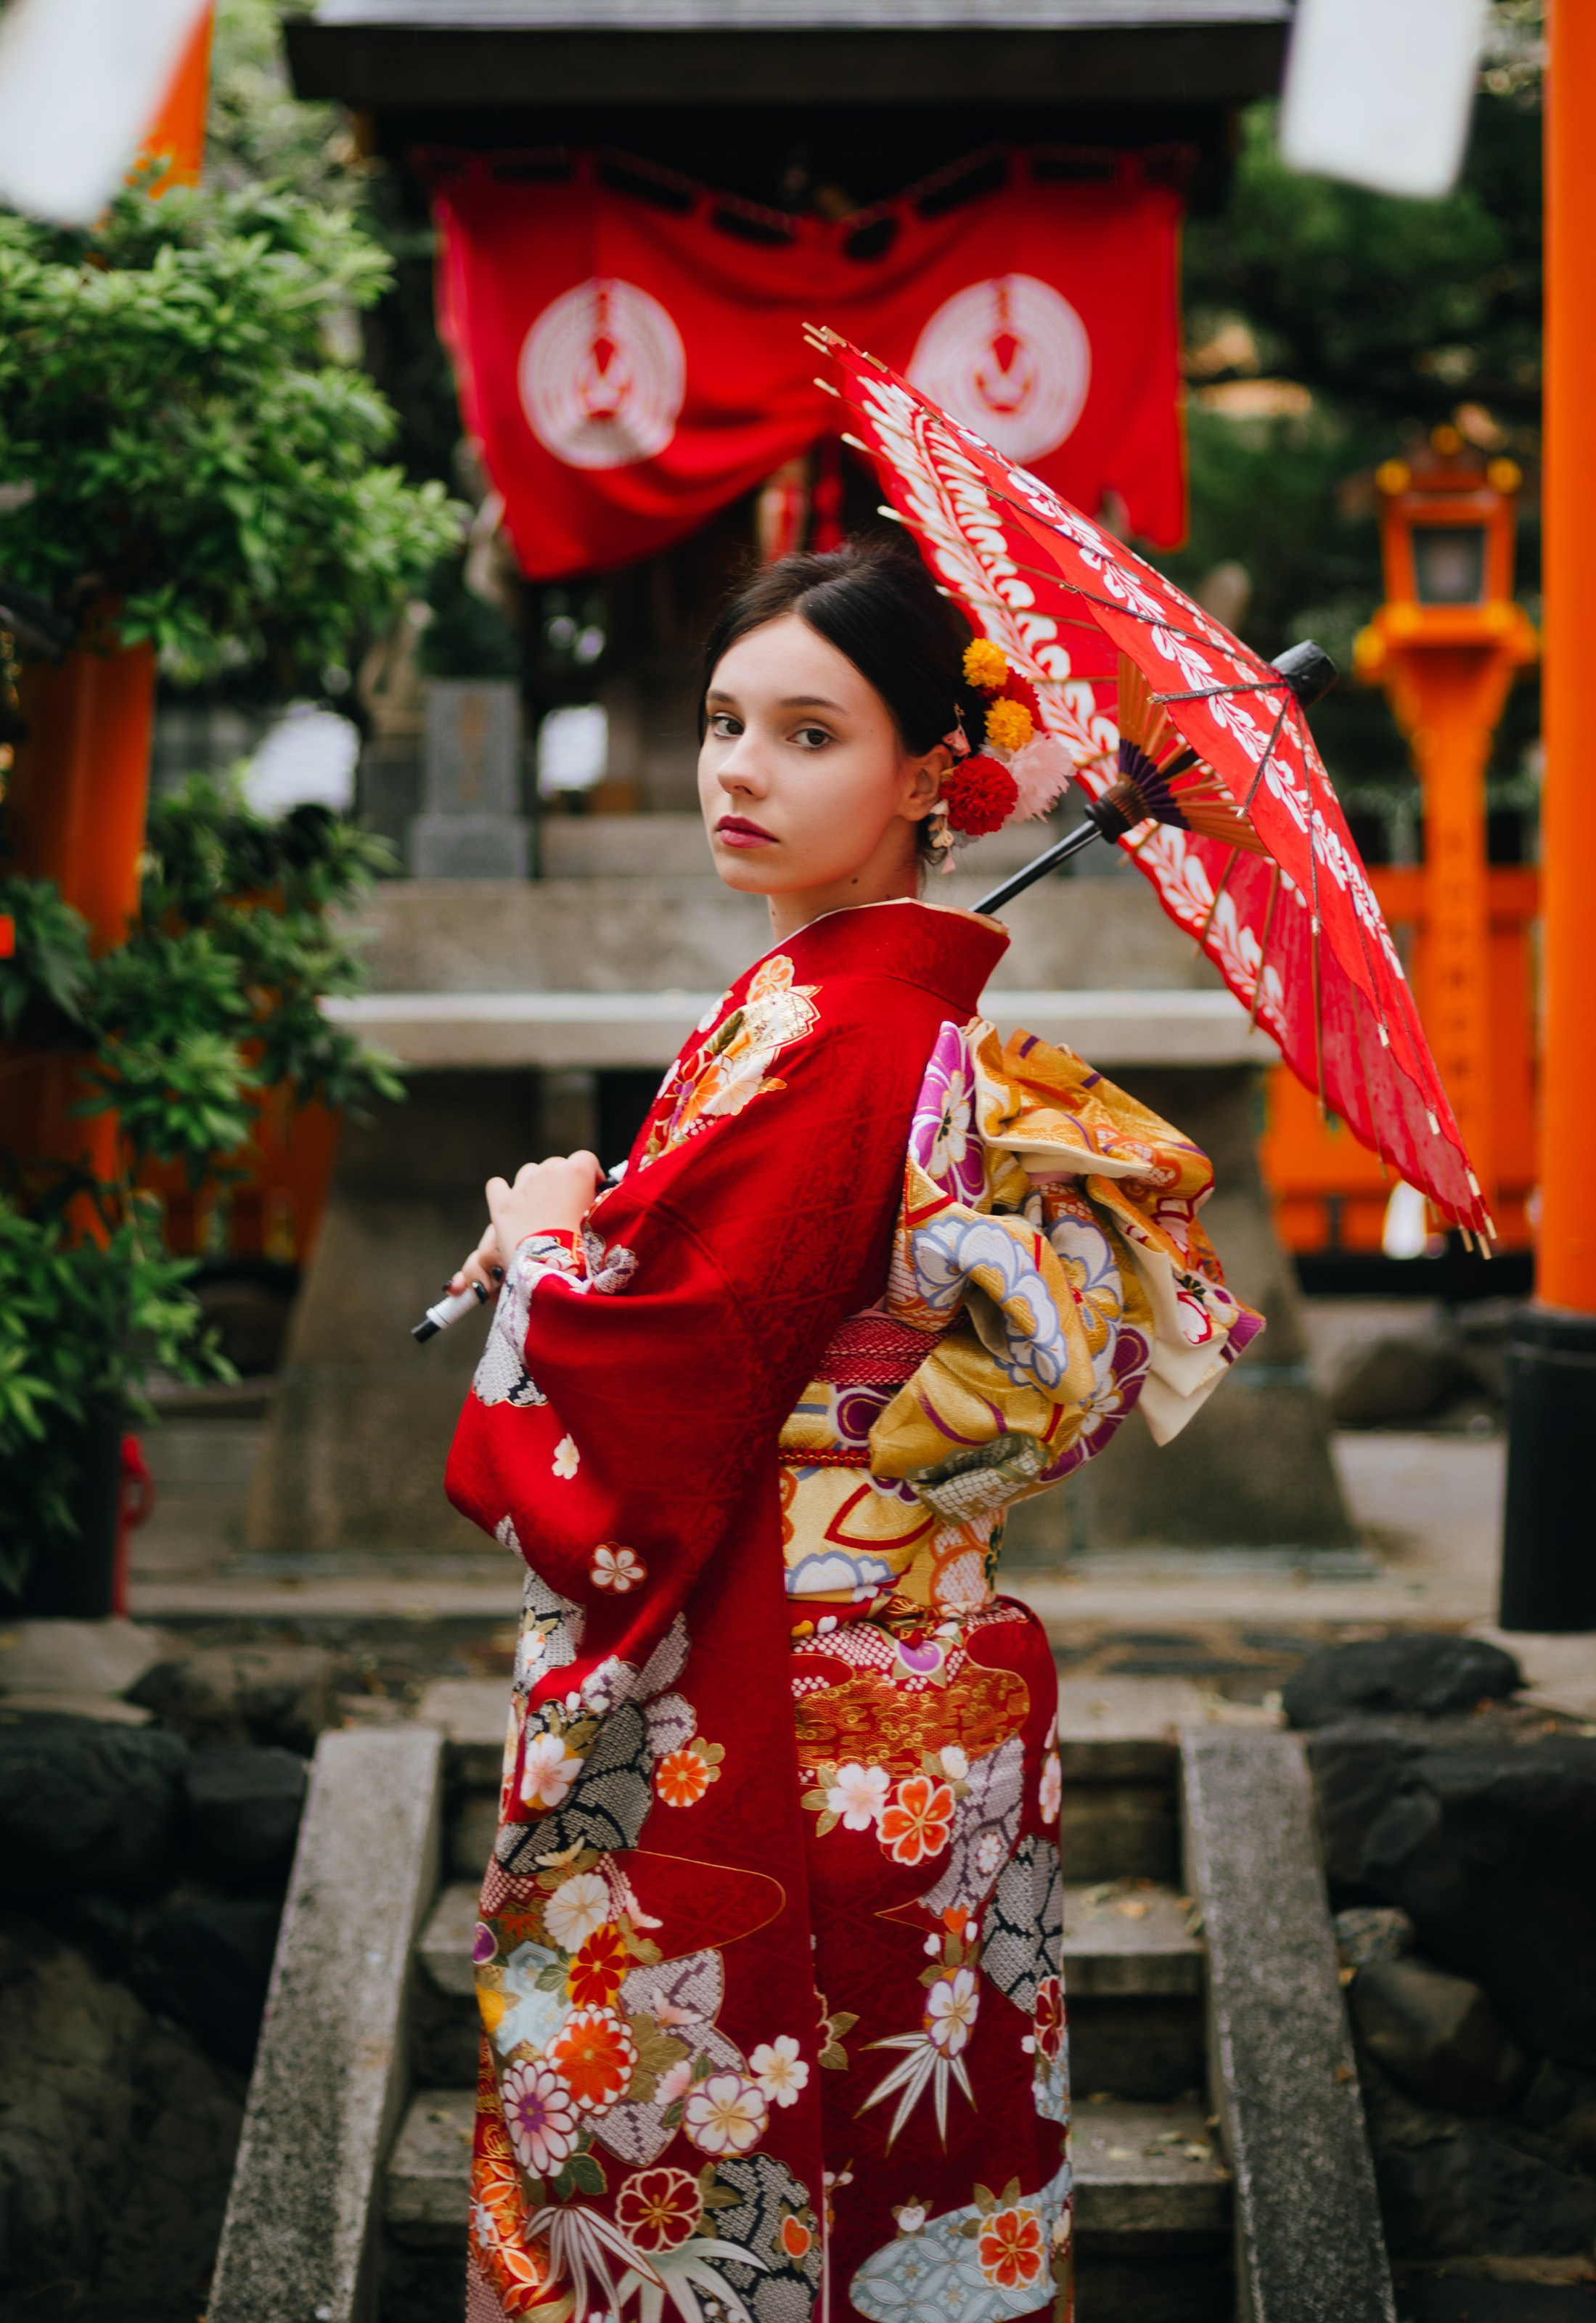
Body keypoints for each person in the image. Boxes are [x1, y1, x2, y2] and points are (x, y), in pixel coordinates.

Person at [446, 541, 1260, 2323]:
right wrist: (592, 1236)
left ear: (925, 780)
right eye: (724, 719)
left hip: (786, 1697)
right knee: (904, 2148)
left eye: (806, 733)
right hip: (915, 1687)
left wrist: (538, 1251)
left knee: (730, 2149)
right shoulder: (844, 1007)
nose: (737, 767)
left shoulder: (842, 1029)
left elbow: (673, 1372)